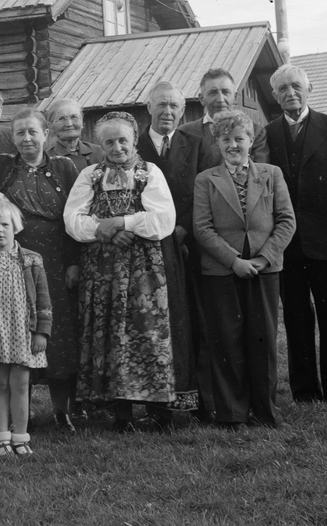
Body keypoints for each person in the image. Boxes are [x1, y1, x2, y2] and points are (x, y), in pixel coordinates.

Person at [63, 112, 177, 432]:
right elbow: (73, 221)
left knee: (147, 329)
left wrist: (124, 223)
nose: (117, 147)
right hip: (102, 267)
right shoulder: (90, 175)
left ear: (134, 141)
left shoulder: (148, 172)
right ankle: (121, 413)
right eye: (109, 142)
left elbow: (162, 221)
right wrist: (108, 230)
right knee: (109, 332)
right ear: (100, 145)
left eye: (123, 140)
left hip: (142, 268)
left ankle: (158, 411)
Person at [264, 64, 327, 403]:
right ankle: (305, 391)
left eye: (296, 86)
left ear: (310, 88)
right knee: (295, 317)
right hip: (286, 245)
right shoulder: (268, 135)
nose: (290, 93)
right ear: (274, 95)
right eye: (282, 88)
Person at [193, 111, 296, 430]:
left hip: (264, 271)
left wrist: (264, 259)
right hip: (223, 272)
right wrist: (233, 261)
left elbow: (286, 221)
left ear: (251, 141)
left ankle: (265, 410)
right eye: (226, 139)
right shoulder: (206, 179)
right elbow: (202, 227)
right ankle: (232, 413)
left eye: (240, 138)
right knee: (227, 339)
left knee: (262, 338)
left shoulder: (271, 174)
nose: (233, 145)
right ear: (218, 143)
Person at [0, 108, 82, 431]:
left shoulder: (64, 167)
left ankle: (62, 411)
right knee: (20, 332)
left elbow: (74, 218)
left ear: (47, 134)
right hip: (16, 262)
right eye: (20, 133)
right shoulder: (2, 166)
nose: (26, 139)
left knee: (57, 335)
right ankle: (22, 413)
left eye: (33, 132)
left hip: (55, 262)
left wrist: (73, 261)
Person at [135, 82, 203, 424]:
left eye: (175, 105)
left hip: (183, 243)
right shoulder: (134, 145)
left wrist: (183, 227)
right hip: (144, 246)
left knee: (183, 318)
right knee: (149, 321)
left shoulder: (196, 144)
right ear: (148, 107)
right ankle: (153, 402)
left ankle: (186, 401)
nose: (168, 111)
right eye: (161, 104)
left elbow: (203, 192)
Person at [0, 195, 51, 457]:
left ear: (15, 226)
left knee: (21, 383)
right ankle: (2, 437)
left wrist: (41, 331)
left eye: (4, 225)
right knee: (0, 384)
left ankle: (20, 436)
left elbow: (43, 299)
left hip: (23, 332)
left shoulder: (32, 260)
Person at [179, 68, 270, 169]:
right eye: (213, 93)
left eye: (225, 92)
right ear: (202, 99)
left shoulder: (256, 132)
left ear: (235, 97)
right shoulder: (184, 133)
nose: (220, 99)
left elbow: (260, 175)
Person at [45, 98, 104, 171]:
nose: (69, 124)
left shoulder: (99, 152)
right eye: (61, 119)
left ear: (82, 122)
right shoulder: (46, 159)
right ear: (50, 126)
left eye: (74, 117)